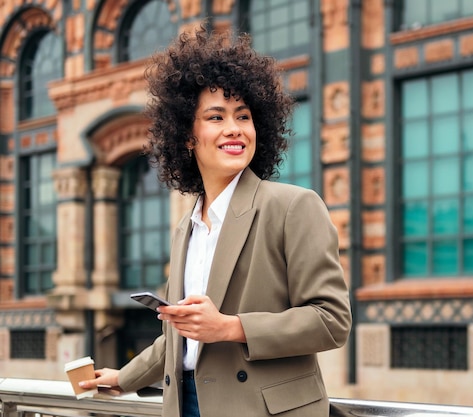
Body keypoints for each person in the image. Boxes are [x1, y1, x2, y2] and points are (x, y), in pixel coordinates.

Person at [78, 22, 352, 417]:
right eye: (216, 117)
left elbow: (332, 320)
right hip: (185, 404)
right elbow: (182, 335)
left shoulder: (294, 206)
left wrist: (229, 327)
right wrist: (124, 377)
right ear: (187, 136)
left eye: (243, 116)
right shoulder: (185, 226)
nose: (234, 130)